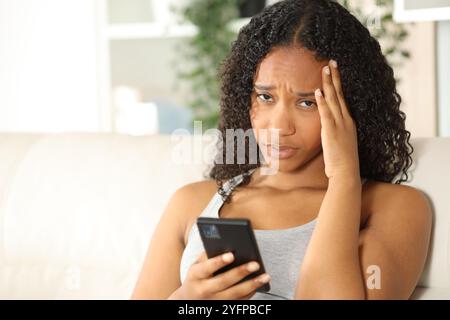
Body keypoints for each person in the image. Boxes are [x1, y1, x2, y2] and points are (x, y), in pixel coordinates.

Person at [132, 0, 432, 300]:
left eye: (307, 103)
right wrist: (187, 300)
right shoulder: (191, 203)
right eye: (265, 96)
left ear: (351, 107)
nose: (278, 126)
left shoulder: (394, 208)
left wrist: (343, 179)